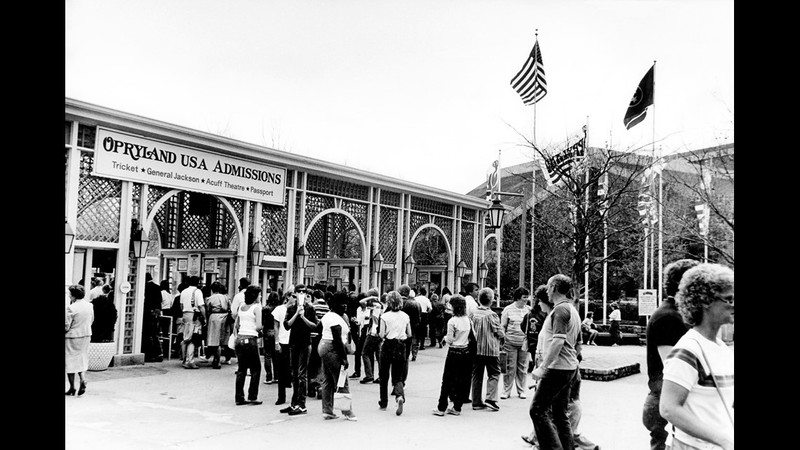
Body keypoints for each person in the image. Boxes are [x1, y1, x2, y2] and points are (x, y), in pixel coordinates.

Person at [660, 263, 734, 450]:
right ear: (705, 301)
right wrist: (723, 440)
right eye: (729, 299)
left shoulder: (721, 348)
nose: (734, 304)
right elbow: (669, 408)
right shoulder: (688, 351)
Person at [642, 259, 699, 450]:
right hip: (669, 397)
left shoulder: (676, 314)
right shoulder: (668, 317)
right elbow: (672, 366)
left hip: (669, 396)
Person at [529, 274, 582, 450]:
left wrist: (543, 367)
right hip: (568, 368)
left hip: (557, 368)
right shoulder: (571, 309)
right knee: (560, 414)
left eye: (548, 287)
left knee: (537, 410)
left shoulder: (560, 310)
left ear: (553, 288)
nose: (547, 291)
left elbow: (558, 341)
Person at [318, 290, 358, 421]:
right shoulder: (335, 319)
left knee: (328, 380)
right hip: (332, 348)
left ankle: (327, 410)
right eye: (342, 303)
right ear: (335, 305)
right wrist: (344, 359)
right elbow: (338, 340)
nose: (345, 305)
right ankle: (348, 412)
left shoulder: (329, 316)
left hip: (324, 346)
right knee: (341, 380)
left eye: (346, 303)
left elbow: (317, 328)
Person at [281, 284, 320, 415]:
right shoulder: (291, 308)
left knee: (301, 374)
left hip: (305, 343)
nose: (302, 294)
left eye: (304, 292)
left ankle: (301, 404)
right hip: (294, 342)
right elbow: (286, 325)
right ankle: (294, 403)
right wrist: (297, 314)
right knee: (294, 374)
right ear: (295, 294)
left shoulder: (310, 308)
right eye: (299, 292)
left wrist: (303, 317)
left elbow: (315, 326)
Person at [432, 295, 472, 417]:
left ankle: (441, 407)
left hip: (454, 352)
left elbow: (449, 339)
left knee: (447, 380)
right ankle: (457, 407)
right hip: (465, 351)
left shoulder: (452, 321)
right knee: (460, 380)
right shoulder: (468, 320)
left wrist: (444, 338)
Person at [470, 287, 504, 412]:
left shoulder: (473, 313)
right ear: (491, 300)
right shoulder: (492, 315)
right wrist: (503, 335)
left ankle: (476, 401)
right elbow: (499, 331)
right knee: (494, 373)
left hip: (476, 349)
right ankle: (491, 398)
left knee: (477, 375)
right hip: (490, 349)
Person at [378, 290, 412, 416]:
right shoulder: (405, 316)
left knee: (384, 375)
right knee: (398, 376)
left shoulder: (385, 316)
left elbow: (381, 334)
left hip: (388, 345)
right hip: (400, 345)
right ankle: (399, 396)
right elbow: (409, 334)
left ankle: (383, 401)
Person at [233, 285, 264, 405]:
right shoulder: (257, 308)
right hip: (251, 339)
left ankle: (239, 397)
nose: (260, 296)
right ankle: (252, 396)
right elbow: (259, 326)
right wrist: (260, 331)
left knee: (242, 369)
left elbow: (237, 324)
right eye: (259, 294)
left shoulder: (242, 307)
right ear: (255, 296)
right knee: (256, 369)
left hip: (240, 339)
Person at [501, 286, 532, 400]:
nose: (526, 299)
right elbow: (503, 326)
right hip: (510, 342)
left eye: (527, 297)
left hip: (524, 343)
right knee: (510, 367)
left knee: (523, 367)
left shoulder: (529, 310)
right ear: (518, 298)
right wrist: (503, 339)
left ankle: (521, 390)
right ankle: (506, 390)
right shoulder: (508, 309)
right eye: (524, 297)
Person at [66, 284, 94, 396]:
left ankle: (72, 387)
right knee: (81, 358)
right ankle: (82, 379)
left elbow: (66, 326)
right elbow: (91, 320)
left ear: (73, 295)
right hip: (86, 335)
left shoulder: (71, 308)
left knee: (70, 362)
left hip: (72, 337)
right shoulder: (90, 306)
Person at [521, 285, 549, 382]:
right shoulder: (547, 314)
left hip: (532, 344)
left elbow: (522, 326)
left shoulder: (529, 314)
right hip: (543, 345)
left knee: (538, 368)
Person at [179, 276, 206, 369]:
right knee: (193, 339)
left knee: (185, 337)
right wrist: (205, 318)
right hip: (194, 316)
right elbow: (201, 306)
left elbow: (181, 305)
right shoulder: (197, 292)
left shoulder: (183, 291)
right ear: (197, 283)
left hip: (185, 314)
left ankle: (183, 359)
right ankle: (190, 361)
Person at [271, 287, 293, 405]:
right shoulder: (279, 309)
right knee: (281, 369)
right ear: (288, 296)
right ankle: (281, 396)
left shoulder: (298, 310)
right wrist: (276, 341)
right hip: (283, 341)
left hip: (294, 342)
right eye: (293, 296)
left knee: (293, 369)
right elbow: (276, 326)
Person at [308, 289, 330, 397]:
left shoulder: (312, 307)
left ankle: (311, 387)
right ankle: (321, 386)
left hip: (313, 337)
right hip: (323, 337)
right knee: (321, 363)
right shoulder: (327, 308)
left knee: (311, 363)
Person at [204, 281, 230, 369]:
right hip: (225, 317)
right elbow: (230, 308)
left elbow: (208, 309)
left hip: (214, 317)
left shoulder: (210, 298)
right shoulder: (226, 298)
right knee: (222, 338)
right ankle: (219, 358)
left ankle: (216, 359)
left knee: (214, 339)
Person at [359, 291, 383, 384]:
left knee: (365, 353)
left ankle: (369, 375)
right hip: (379, 332)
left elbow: (361, 301)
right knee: (378, 355)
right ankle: (381, 376)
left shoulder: (374, 305)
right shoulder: (380, 305)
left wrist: (370, 297)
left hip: (373, 332)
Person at [143, 273, 164, 362]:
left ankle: (149, 353)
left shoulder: (145, 287)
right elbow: (160, 300)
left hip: (146, 313)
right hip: (155, 313)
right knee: (155, 334)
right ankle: (159, 353)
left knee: (146, 334)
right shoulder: (157, 287)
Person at [399, 284, 421, 367]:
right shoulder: (416, 304)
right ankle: (413, 354)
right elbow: (418, 318)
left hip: (400, 330)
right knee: (407, 351)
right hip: (412, 328)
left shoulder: (399, 303)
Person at [261, 290, 281, 383]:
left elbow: (262, 322)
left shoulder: (265, 309)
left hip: (267, 331)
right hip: (276, 332)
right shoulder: (279, 309)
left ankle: (268, 376)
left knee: (267, 355)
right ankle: (277, 376)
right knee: (276, 355)